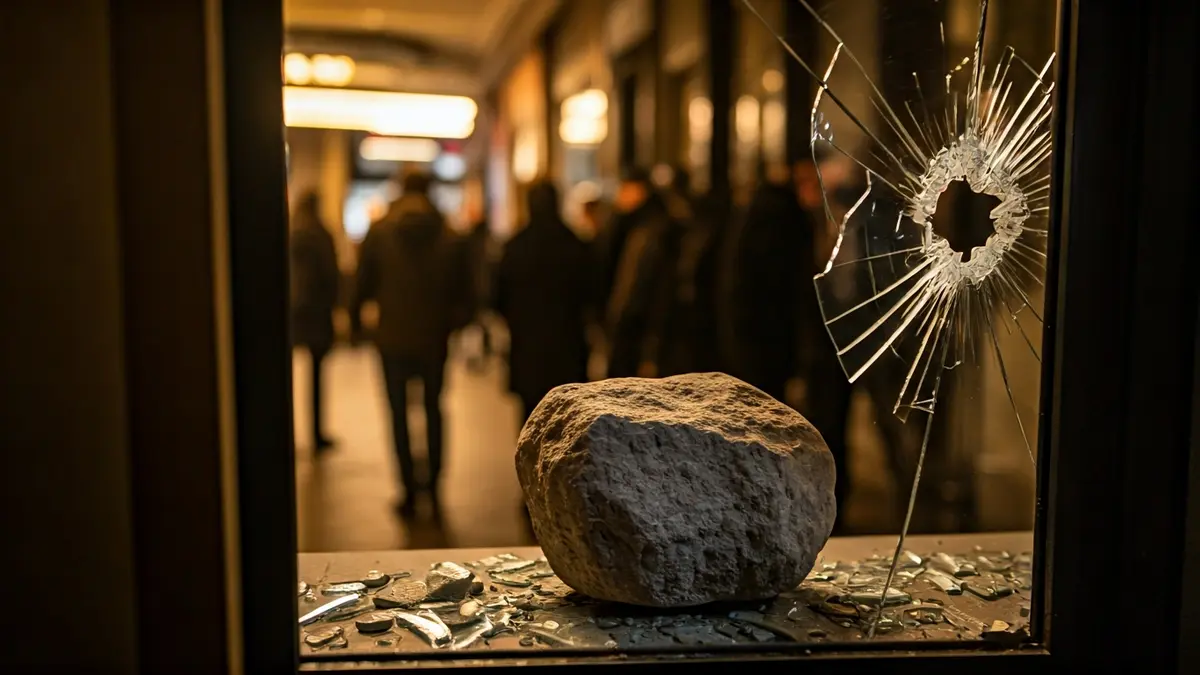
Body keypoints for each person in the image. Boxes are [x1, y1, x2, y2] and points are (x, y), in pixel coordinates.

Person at [351, 171, 470, 518]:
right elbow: (466, 291)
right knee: (434, 408)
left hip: (392, 337)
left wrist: (358, 324)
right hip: (434, 337)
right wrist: (453, 324)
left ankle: (407, 490)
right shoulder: (449, 233)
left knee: (398, 413)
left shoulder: (380, 231)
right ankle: (433, 488)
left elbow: (362, 284)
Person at [495, 180, 593, 423]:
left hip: (527, 345)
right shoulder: (575, 245)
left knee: (530, 417)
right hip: (567, 345)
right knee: (568, 419)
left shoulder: (514, 247)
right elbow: (593, 296)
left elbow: (497, 299)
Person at [597, 167, 675, 378]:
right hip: (635, 331)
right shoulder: (631, 226)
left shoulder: (648, 230)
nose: (619, 195)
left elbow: (636, 286)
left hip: (638, 332)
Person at [289, 191, 340, 454]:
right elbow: (332, 274)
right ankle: (316, 434)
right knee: (317, 377)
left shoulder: (291, 231)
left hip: (293, 312)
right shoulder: (321, 234)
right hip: (317, 313)